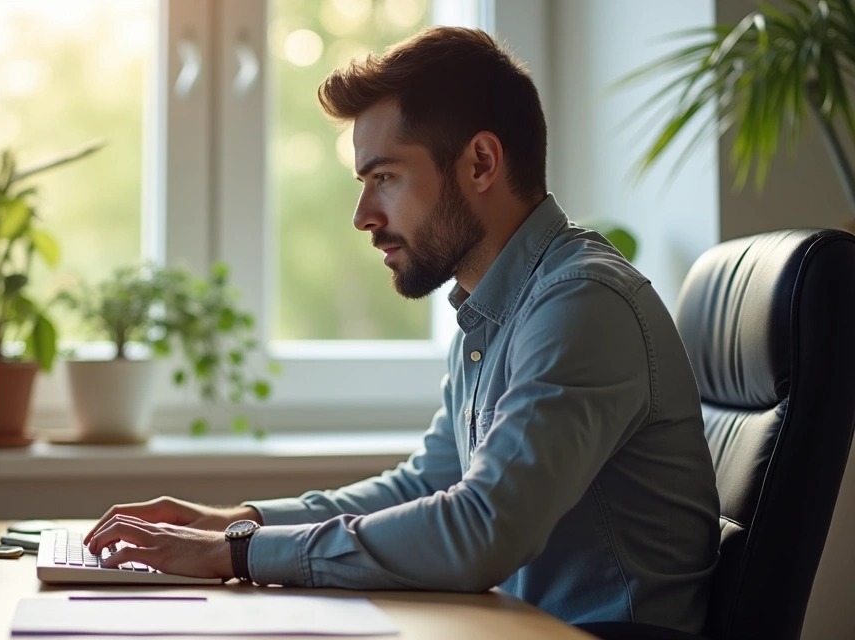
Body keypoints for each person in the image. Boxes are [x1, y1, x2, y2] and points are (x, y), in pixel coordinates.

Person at [84, 26, 720, 632]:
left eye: (384, 177)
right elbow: (428, 484)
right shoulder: (496, 307)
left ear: (480, 162)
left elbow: (482, 530)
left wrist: (237, 552)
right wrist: (235, 521)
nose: (362, 215)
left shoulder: (582, 302)